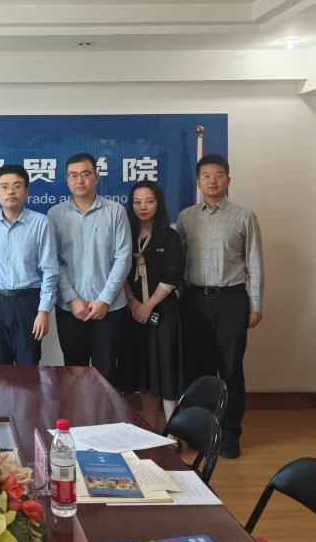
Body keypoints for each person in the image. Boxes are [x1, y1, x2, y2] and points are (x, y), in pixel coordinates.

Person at [176, 153, 264, 459]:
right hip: (194, 300)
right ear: (198, 182)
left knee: (230, 370)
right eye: (206, 176)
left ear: (228, 180)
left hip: (231, 300)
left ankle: (228, 435)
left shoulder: (244, 216)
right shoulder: (186, 217)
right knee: (199, 371)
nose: (212, 181)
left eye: (218, 175)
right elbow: (178, 263)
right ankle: (201, 431)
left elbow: (255, 263)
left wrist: (256, 305)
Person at [47, 152, 132, 383]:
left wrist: (105, 299)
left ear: (96, 177)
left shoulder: (115, 211)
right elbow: (53, 261)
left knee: (107, 375)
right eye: (73, 175)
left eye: (85, 174)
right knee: (74, 374)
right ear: (67, 180)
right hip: (70, 309)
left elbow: (123, 258)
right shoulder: (55, 214)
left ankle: (106, 410)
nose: (80, 180)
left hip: (109, 309)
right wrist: (72, 299)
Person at [0, 164, 59, 365]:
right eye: (4, 187)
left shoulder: (41, 223)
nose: (10, 192)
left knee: (28, 368)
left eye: (17, 186)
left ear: (26, 191)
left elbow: (50, 270)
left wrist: (44, 311)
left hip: (28, 304)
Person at [124, 182, 185, 429]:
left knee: (166, 370)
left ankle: (173, 432)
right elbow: (120, 273)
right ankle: (150, 428)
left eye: (149, 201)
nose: (143, 207)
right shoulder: (126, 234)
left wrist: (148, 306)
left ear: (158, 203)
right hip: (133, 312)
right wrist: (133, 303)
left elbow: (172, 275)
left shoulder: (170, 236)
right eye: (137, 202)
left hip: (163, 311)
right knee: (145, 373)